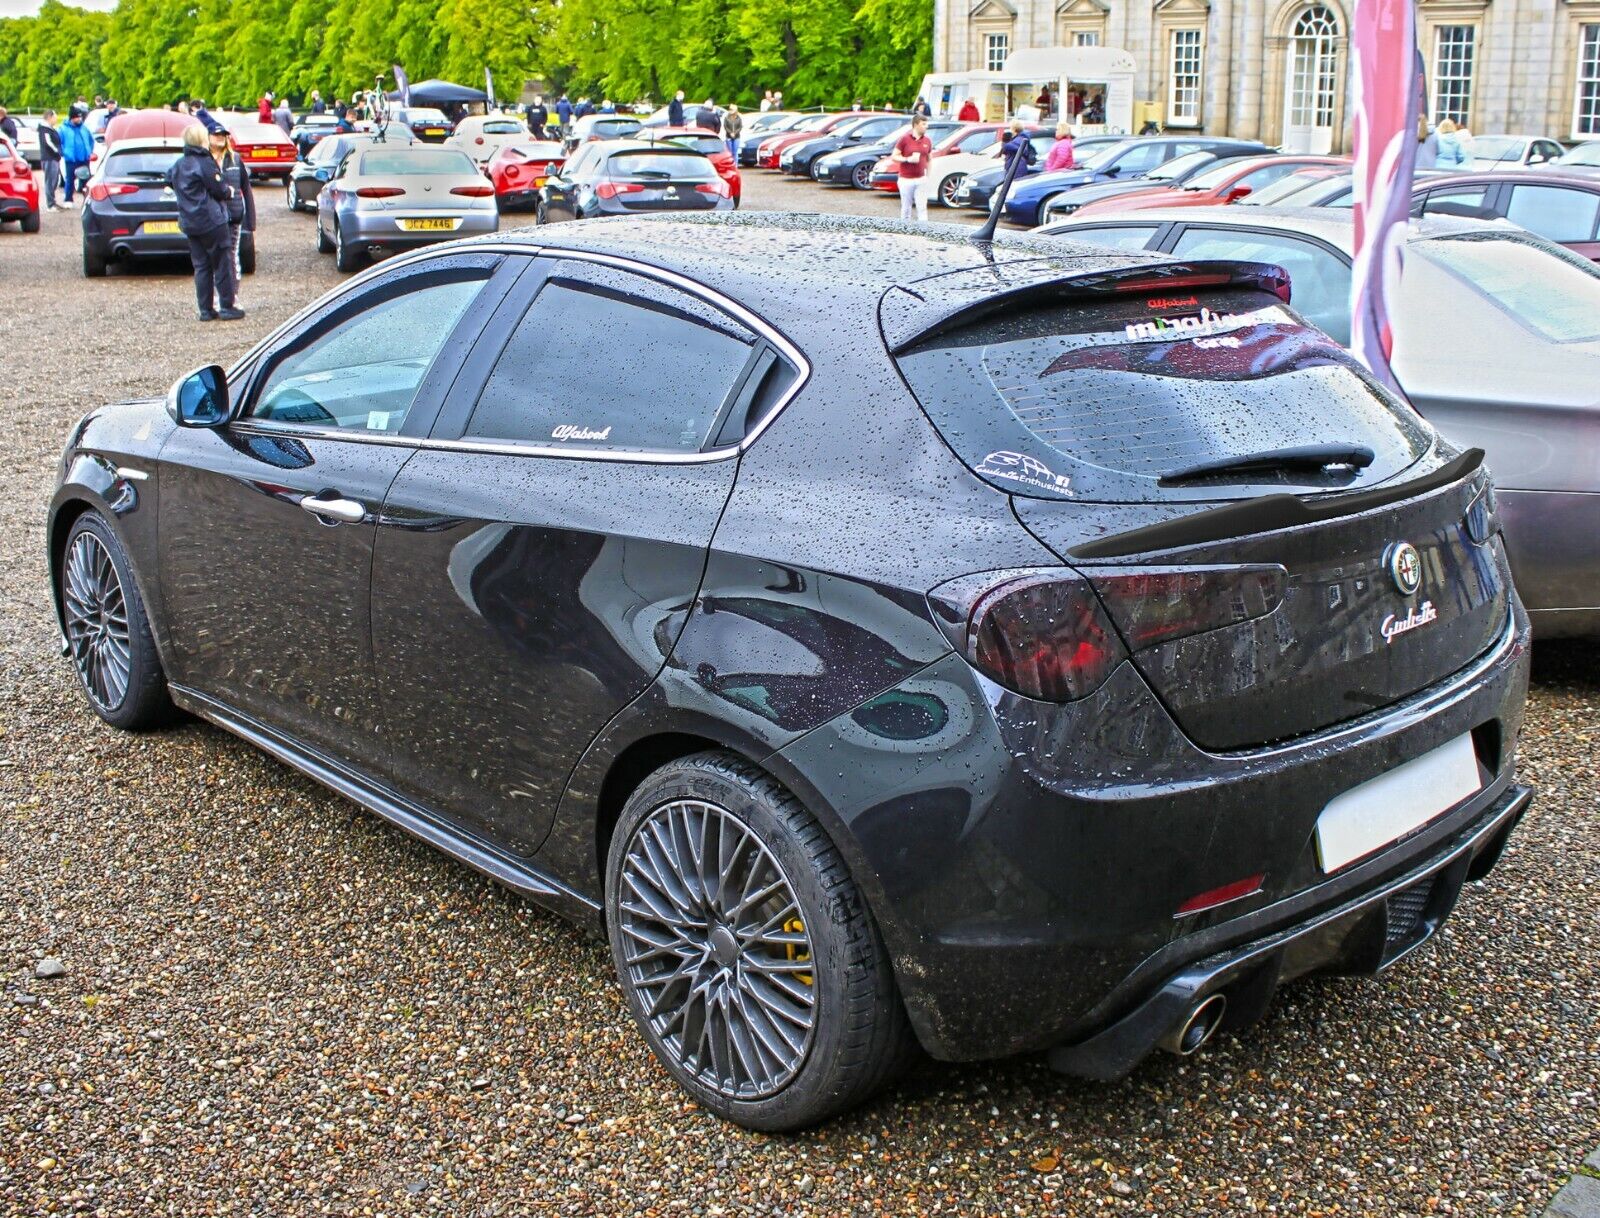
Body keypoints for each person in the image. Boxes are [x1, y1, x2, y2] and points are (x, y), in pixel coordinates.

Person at [167, 124, 241, 321]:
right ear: (202, 139)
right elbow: (219, 189)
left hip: (190, 222)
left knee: (201, 266)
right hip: (212, 221)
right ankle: (227, 306)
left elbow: (169, 180)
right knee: (222, 263)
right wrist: (229, 192)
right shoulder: (204, 162)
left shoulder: (179, 164)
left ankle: (205, 310)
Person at [210, 124, 254, 314]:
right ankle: (214, 299)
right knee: (213, 259)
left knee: (231, 258)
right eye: (216, 134)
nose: (220, 137)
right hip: (211, 219)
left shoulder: (235, 159)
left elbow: (247, 189)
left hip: (233, 217)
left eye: (223, 135)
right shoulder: (205, 161)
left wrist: (250, 219)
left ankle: (232, 298)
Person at [890, 113, 933, 222]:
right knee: (906, 207)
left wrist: (928, 176)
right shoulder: (905, 139)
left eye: (926, 124)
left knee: (922, 207)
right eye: (923, 124)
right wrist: (907, 159)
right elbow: (894, 156)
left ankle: (923, 231)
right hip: (906, 179)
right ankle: (905, 230)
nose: (926, 126)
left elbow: (929, 159)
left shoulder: (927, 141)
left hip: (921, 179)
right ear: (915, 125)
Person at [59, 108, 95, 207]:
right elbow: (59, 142)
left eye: (80, 117)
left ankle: (87, 200)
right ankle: (68, 200)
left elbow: (91, 140)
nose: (79, 119)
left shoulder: (84, 128)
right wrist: (64, 153)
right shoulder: (63, 129)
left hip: (84, 159)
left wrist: (89, 152)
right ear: (72, 118)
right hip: (71, 159)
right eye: (77, 117)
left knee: (86, 181)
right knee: (70, 180)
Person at [37, 110, 63, 210]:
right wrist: (58, 151)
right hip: (49, 158)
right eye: (55, 117)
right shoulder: (45, 129)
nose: (56, 119)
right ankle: (50, 204)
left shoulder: (50, 129)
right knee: (50, 181)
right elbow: (48, 143)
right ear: (49, 117)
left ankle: (53, 202)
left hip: (53, 158)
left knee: (54, 181)